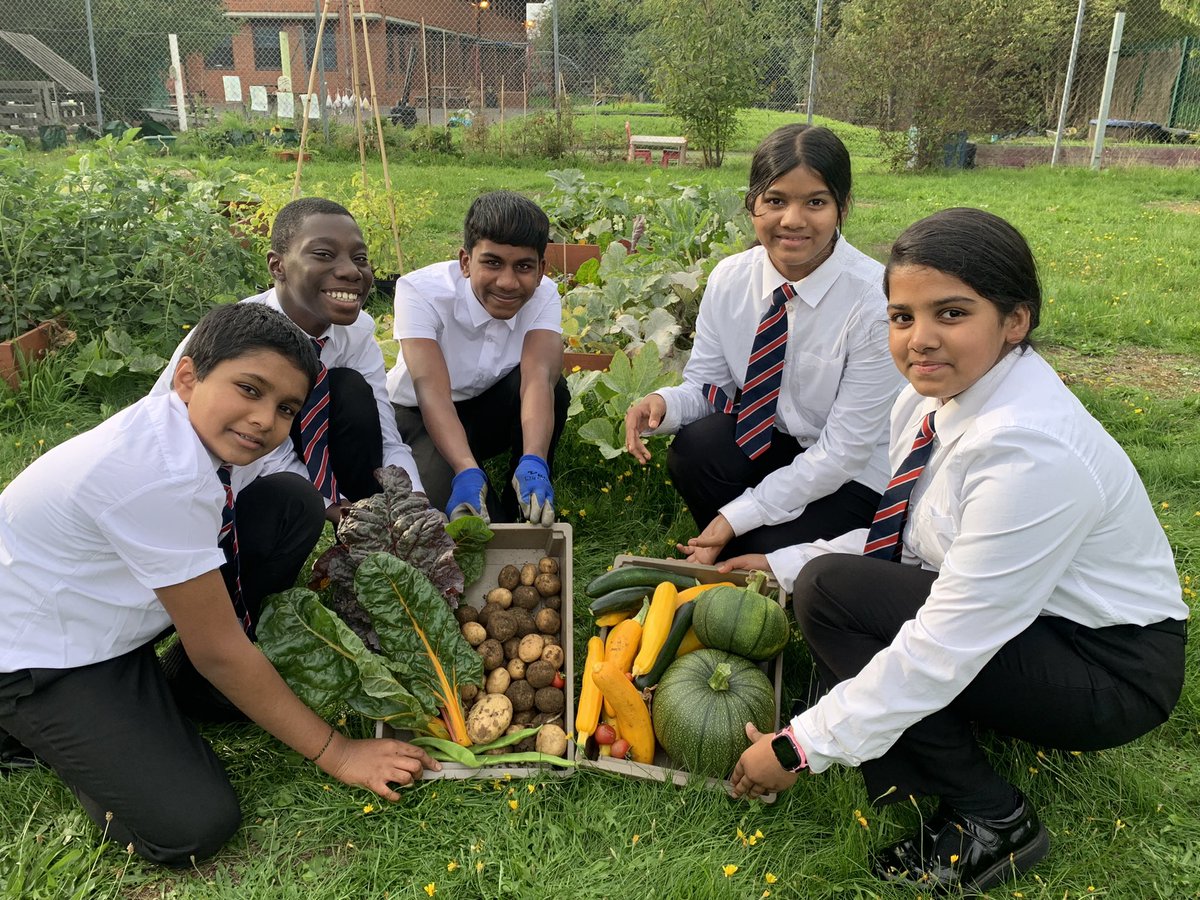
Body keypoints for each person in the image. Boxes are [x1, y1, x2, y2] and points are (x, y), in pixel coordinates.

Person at [724, 208, 1188, 892]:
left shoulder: (1028, 450)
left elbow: (948, 639)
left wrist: (800, 748)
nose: (920, 339)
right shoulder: (930, 400)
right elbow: (910, 537)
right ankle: (903, 736)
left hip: (1109, 670)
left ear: (1015, 320)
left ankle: (994, 819)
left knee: (835, 598)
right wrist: (780, 562)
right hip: (1036, 621)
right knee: (824, 583)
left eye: (951, 313)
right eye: (901, 316)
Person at [0, 303, 439, 866]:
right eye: (249, 389)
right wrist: (339, 752)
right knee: (194, 824)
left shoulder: (198, 431)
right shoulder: (157, 477)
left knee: (291, 503)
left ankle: (171, 689)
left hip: (107, 609)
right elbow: (220, 651)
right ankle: (44, 731)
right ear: (187, 377)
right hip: (44, 656)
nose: (263, 420)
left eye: (286, 408)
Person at [624, 124, 902, 563]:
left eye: (816, 202)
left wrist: (736, 516)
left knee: (761, 547)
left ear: (843, 206)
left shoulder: (875, 303)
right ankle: (747, 552)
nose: (792, 220)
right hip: (780, 440)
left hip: (855, 471)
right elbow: (709, 389)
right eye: (775, 200)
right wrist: (662, 405)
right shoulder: (730, 279)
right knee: (694, 451)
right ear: (752, 203)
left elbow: (844, 452)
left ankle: (749, 550)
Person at [154, 197, 423, 524]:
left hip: (272, 441)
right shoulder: (243, 338)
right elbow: (263, 444)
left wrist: (412, 499)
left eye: (360, 258)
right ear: (277, 266)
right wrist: (332, 508)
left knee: (351, 389)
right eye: (323, 254)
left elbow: (383, 431)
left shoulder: (356, 332)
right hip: (205, 473)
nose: (350, 271)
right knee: (297, 500)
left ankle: (370, 522)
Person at [388, 190, 568, 525]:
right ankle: (470, 476)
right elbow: (431, 391)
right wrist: (465, 469)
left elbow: (538, 378)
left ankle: (525, 490)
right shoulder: (420, 292)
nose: (508, 282)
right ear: (465, 262)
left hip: (487, 409)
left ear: (541, 269)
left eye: (523, 267)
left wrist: (535, 460)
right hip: (421, 414)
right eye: (492, 263)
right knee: (473, 525)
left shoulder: (544, 296)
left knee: (555, 389)